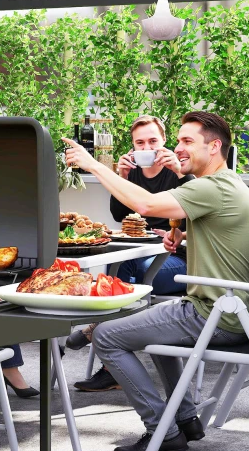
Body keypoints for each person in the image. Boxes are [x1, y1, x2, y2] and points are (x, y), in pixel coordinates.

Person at [64, 111, 249, 451]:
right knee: (155, 329)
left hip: (215, 314)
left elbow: (145, 204)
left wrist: (93, 165)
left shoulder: (211, 186)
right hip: (238, 313)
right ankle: (186, 419)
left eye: (188, 140)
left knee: (107, 336)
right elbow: (217, 229)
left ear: (214, 146)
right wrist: (184, 235)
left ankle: (162, 430)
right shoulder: (229, 185)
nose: (179, 147)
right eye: (179, 140)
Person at [70, 115, 192, 392]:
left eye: (153, 141)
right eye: (140, 143)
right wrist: (121, 177)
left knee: (128, 272)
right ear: (133, 146)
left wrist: (180, 174)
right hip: (140, 254)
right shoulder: (132, 173)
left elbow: (193, 216)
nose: (147, 147)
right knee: (119, 268)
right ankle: (110, 360)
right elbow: (118, 215)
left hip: (178, 258)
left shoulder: (179, 172)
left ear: (164, 141)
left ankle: (96, 334)